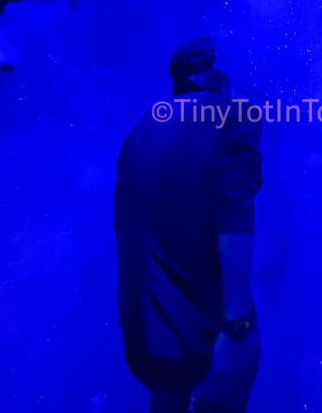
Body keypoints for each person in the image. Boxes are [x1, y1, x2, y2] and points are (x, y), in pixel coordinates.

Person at [114, 37, 263, 413]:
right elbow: (234, 207)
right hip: (210, 326)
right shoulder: (235, 116)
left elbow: (129, 226)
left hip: (149, 330)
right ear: (212, 77)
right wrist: (238, 321)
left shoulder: (141, 129)